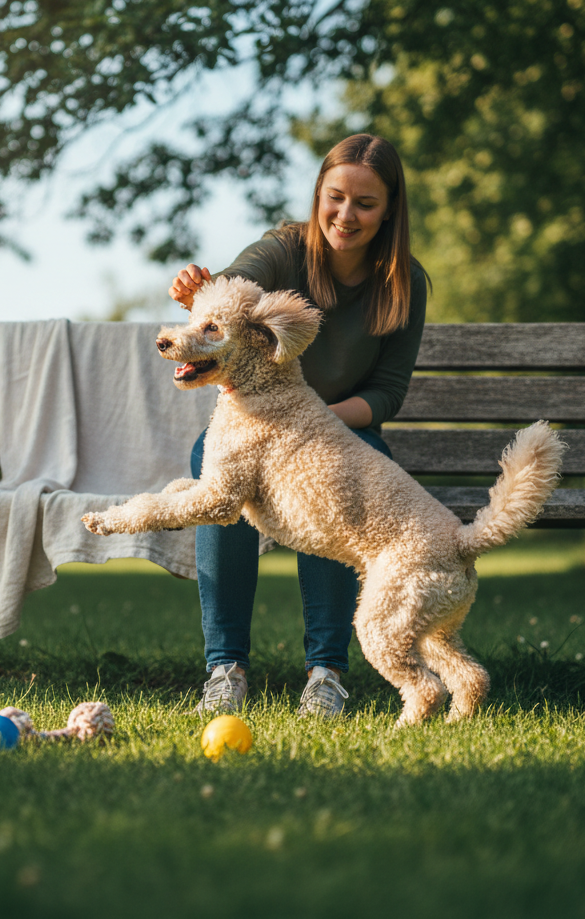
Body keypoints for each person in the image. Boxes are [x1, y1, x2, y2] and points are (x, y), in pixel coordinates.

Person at [168, 133, 429, 718]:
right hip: (259, 427)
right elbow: (238, 281)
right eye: (336, 197)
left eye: (366, 203)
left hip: (342, 430)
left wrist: (315, 428)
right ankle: (225, 667)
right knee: (209, 461)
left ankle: (326, 673)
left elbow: (387, 393)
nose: (346, 214)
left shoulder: (404, 281)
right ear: (318, 194)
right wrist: (201, 290)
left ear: (389, 209)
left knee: (336, 472)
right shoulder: (284, 250)